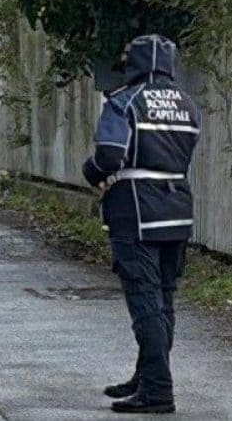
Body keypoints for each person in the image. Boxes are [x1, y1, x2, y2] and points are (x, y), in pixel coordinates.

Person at [82, 35, 201, 415]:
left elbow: (109, 156)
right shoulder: (187, 104)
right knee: (164, 296)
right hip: (177, 204)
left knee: (144, 297)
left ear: (132, 63)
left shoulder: (124, 101)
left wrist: (92, 172)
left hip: (136, 206)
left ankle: (158, 390)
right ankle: (148, 374)